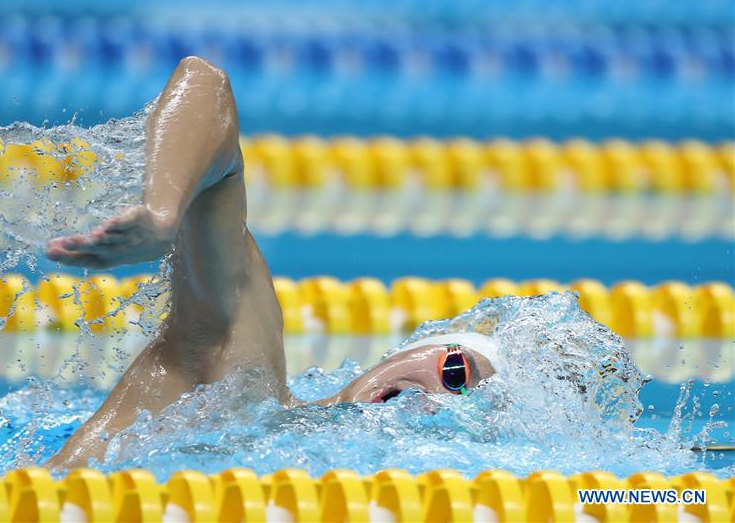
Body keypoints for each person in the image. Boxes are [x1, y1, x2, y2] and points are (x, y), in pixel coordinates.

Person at [46, 57, 498, 469]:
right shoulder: (241, 383)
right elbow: (205, 83)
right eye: (455, 372)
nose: (434, 402)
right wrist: (163, 213)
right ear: (404, 352)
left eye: (461, 417)